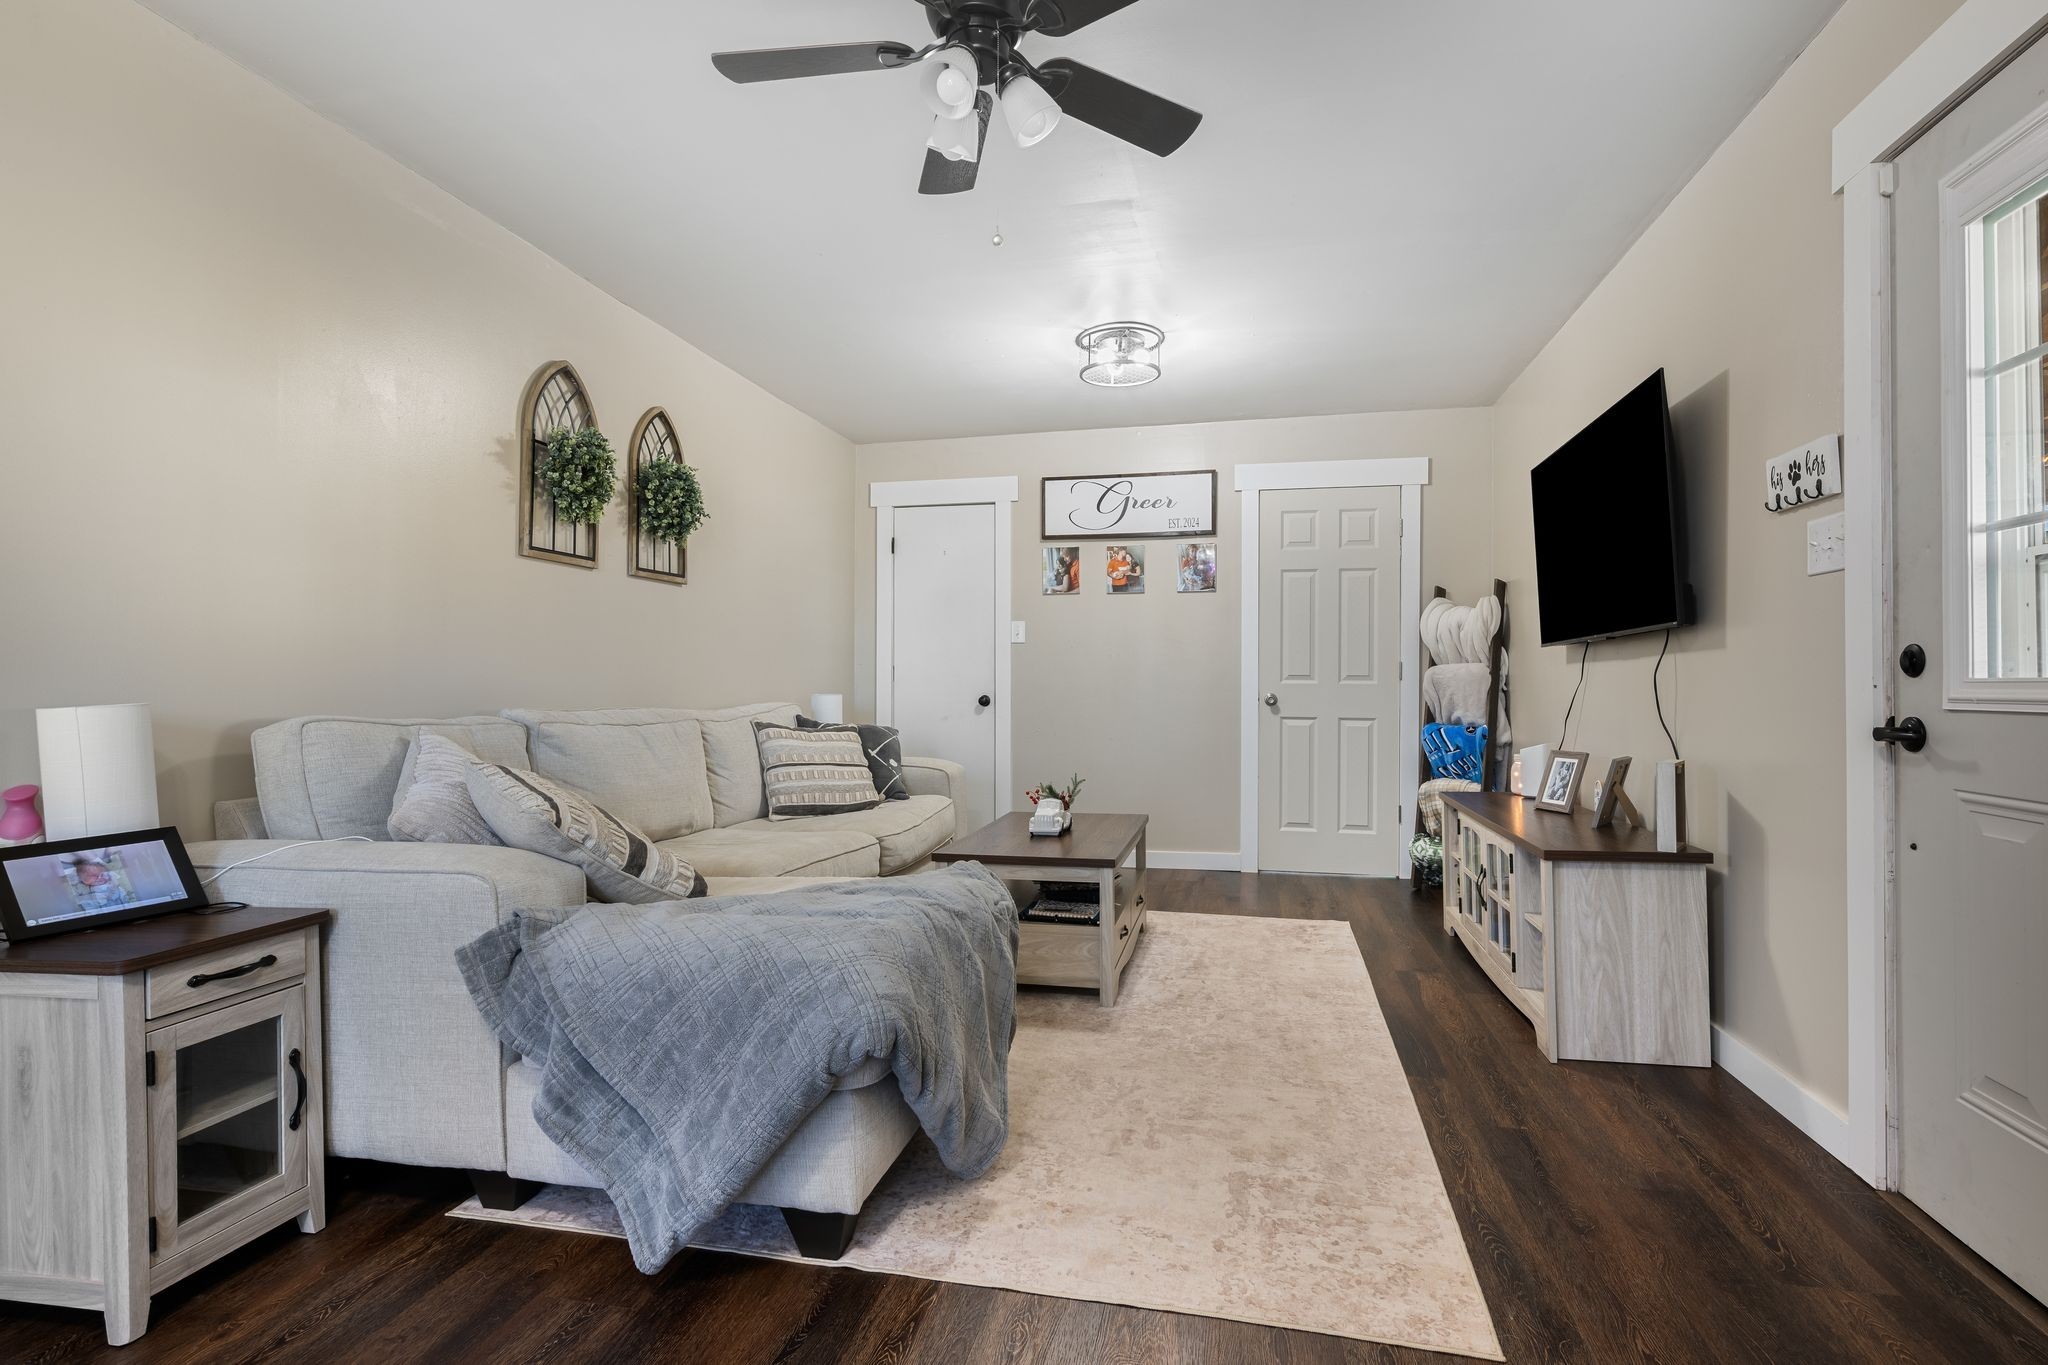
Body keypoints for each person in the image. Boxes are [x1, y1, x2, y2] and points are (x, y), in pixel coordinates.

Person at [68, 856, 133, 912]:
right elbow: (90, 908)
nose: (100, 877)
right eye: (93, 876)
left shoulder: (114, 884)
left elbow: (123, 896)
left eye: (102, 873)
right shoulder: (87, 895)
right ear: (85, 882)